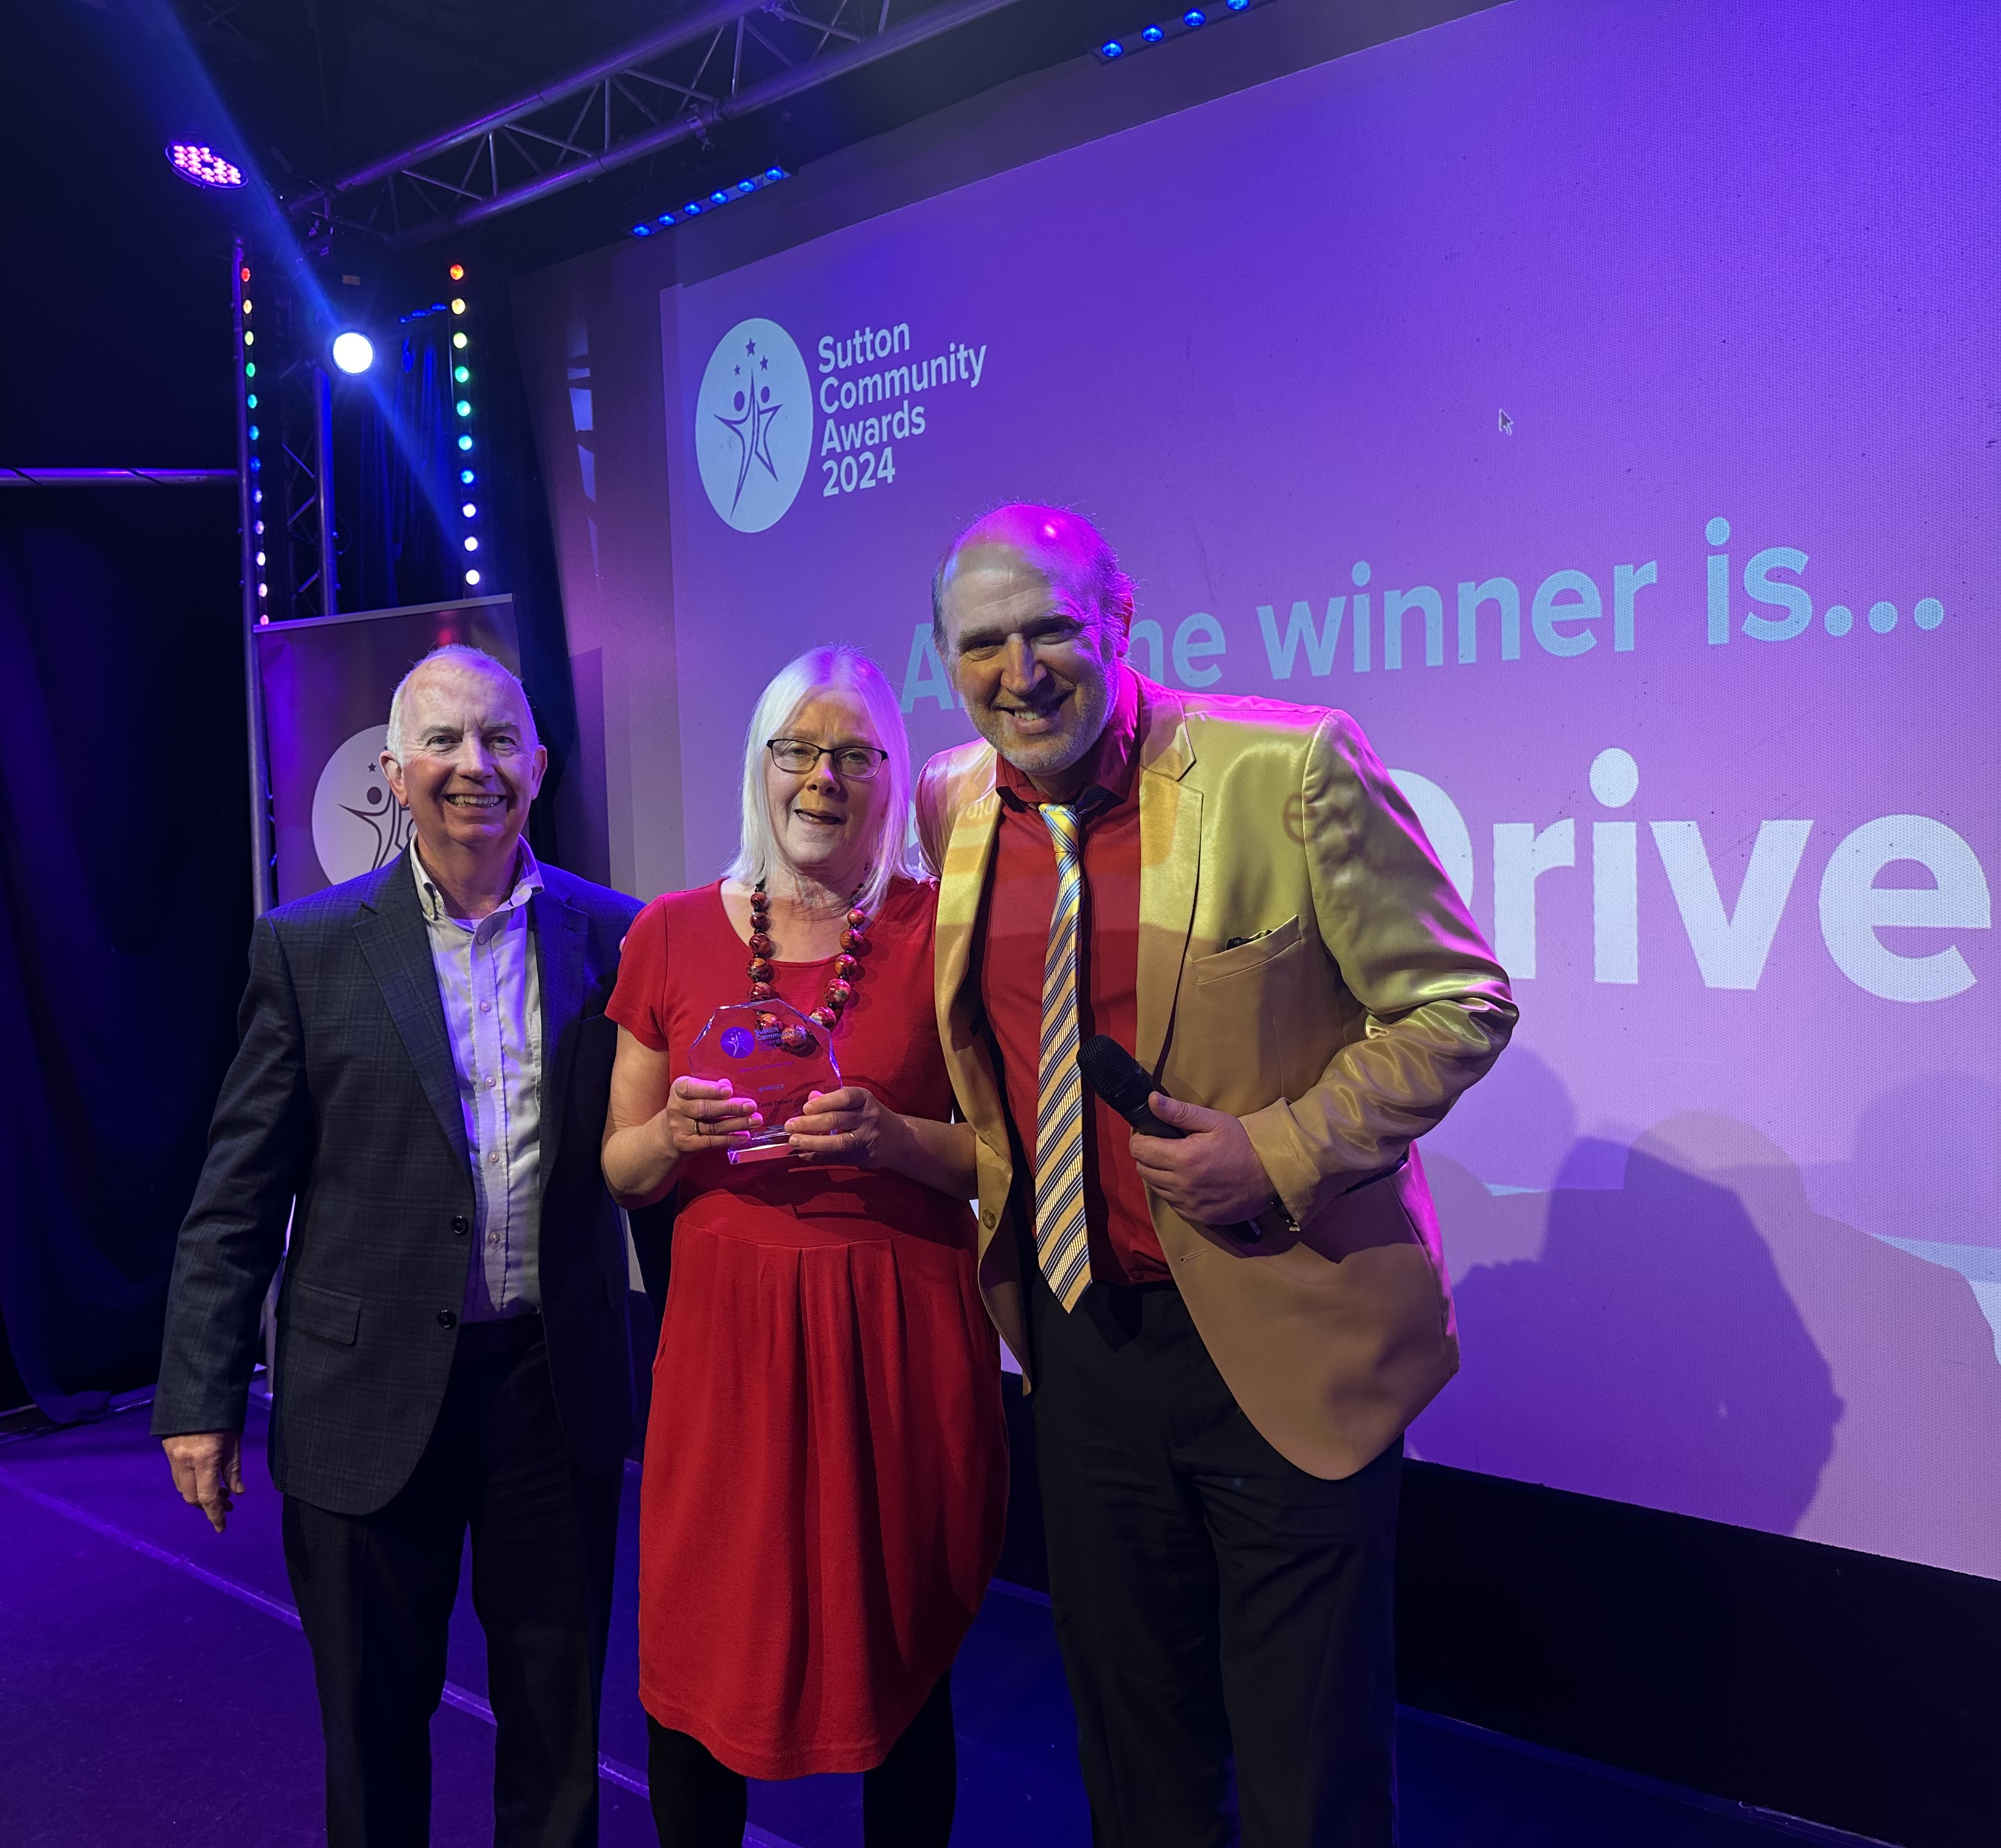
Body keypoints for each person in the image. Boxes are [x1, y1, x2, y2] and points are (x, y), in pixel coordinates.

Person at [915, 505, 1517, 1848]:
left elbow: (1458, 1002)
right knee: (1137, 1766)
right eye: (983, 645)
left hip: (1281, 1335)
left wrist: (1282, 1148)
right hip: (1079, 1347)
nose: (1020, 673)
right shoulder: (953, 799)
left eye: (1053, 629)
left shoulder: (1288, 767)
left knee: (1312, 1786)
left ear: (1122, 621)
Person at [152, 645, 642, 1848]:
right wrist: (200, 1401)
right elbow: (237, 1196)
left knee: (556, 1728)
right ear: (391, 773)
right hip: (360, 1400)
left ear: (541, 763)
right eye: (443, 741)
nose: (473, 766)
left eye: (499, 739)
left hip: (551, 1395)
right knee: (373, 1733)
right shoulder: (307, 950)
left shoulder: (618, 938)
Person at [601, 645, 1005, 1848]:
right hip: (728, 1350)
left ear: (892, 781)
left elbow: (1013, 1161)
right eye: (797, 752)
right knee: (700, 1645)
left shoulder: (950, 933)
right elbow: (618, 1167)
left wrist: (893, 1139)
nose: (822, 779)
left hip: (900, 1340)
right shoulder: (670, 933)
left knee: (904, 1647)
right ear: (759, 769)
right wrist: (672, 1133)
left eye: (854, 756)